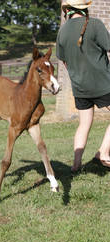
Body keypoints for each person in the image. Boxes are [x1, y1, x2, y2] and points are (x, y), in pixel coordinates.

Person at [56, 0, 110, 172]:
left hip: (80, 87)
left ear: (68, 11)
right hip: (102, 84)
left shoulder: (62, 32)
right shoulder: (95, 24)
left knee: (84, 123)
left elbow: (63, 61)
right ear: (85, 8)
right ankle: (103, 153)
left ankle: (76, 165)